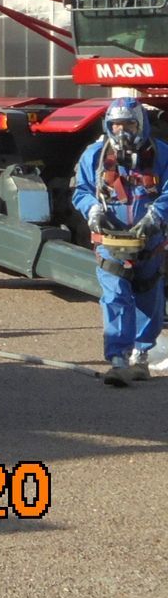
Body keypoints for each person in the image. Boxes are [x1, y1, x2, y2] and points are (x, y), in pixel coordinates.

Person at [72, 95, 168, 386]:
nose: (122, 132)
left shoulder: (161, 154)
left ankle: (141, 356)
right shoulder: (95, 155)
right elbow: (81, 190)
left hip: (149, 241)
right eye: (116, 125)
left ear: (141, 125)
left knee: (149, 296)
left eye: (128, 125)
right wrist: (92, 210)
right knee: (115, 297)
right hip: (110, 240)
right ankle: (118, 360)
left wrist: (156, 215)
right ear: (108, 126)